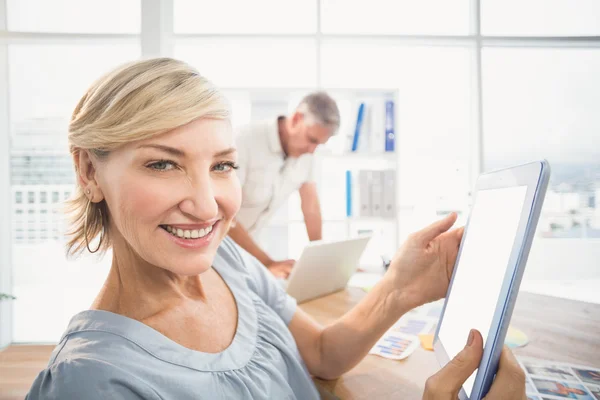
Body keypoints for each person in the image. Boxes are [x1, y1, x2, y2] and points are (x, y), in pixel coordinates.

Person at [26, 58, 527, 400]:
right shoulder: (92, 380)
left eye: (222, 166)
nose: (207, 207)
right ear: (89, 172)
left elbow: (323, 356)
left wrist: (398, 288)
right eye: (162, 165)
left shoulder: (226, 261)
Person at [228, 92, 339, 278]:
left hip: (249, 253)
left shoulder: (306, 154)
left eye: (319, 144)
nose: (312, 151)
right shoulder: (243, 141)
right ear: (296, 119)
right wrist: (268, 263)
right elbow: (225, 214)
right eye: (312, 140)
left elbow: (310, 206)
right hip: (219, 249)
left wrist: (321, 260)